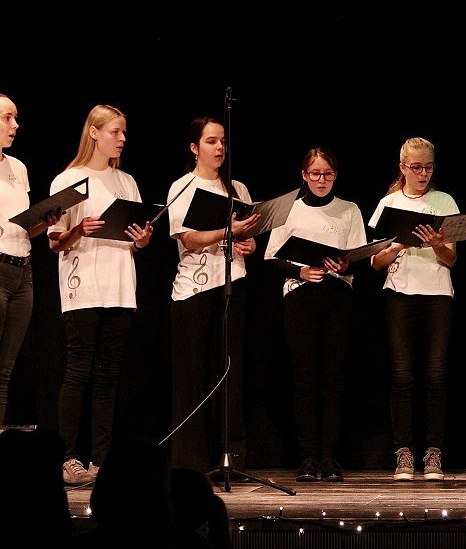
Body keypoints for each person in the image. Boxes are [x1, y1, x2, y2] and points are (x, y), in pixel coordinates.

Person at [48, 104, 153, 485]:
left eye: (124, 132)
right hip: (84, 286)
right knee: (79, 372)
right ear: (94, 132)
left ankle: (102, 459)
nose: (122, 139)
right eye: (115, 132)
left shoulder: (127, 182)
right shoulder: (69, 179)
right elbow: (54, 241)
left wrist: (142, 240)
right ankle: (68, 458)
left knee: (108, 376)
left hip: (120, 286)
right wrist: (78, 230)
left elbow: (135, 238)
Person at [264, 147, 367, 483]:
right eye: (315, 174)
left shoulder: (349, 209)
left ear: (336, 175)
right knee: (305, 379)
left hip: (338, 296)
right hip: (300, 296)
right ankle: (309, 457)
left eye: (328, 174)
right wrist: (300, 270)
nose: (321, 180)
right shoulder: (290, 209)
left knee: (333, 379)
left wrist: (344, 264)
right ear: (304, 175)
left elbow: (359, 257)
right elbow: (272, 257)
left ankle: (330, 457)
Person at [167, 116, 259, 474]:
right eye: (211, 141)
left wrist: (247, 243)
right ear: (194, 148)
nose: (220, 147)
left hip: (232, 284)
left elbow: (247, 238)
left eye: (222, 141)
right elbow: (188, 238)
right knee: (193, 375)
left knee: (229, 371)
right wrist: (227, 231)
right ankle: (191, 462)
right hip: (194, 288)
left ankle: (230, 456)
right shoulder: (182, 187)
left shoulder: (237, 188)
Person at [368, 137, 457, 482]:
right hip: (399, 293)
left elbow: (451, 258)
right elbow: (375, 261)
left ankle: (434, 451)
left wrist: (436, 245)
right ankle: (403, 451)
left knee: (435, 374)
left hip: (437, 293)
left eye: (428, 167)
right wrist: (399, 246)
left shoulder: (444, 201)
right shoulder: (388, 203)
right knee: (402, 375)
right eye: (416, 167)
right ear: (402, 167)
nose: (422, 174)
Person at [0, 94, 60, 425]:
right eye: (7, 117)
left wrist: (45, 221)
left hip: (22, 271)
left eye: (15, 117)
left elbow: (24, 229)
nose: (15, 125)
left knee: (4, 370)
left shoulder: (17, 167)